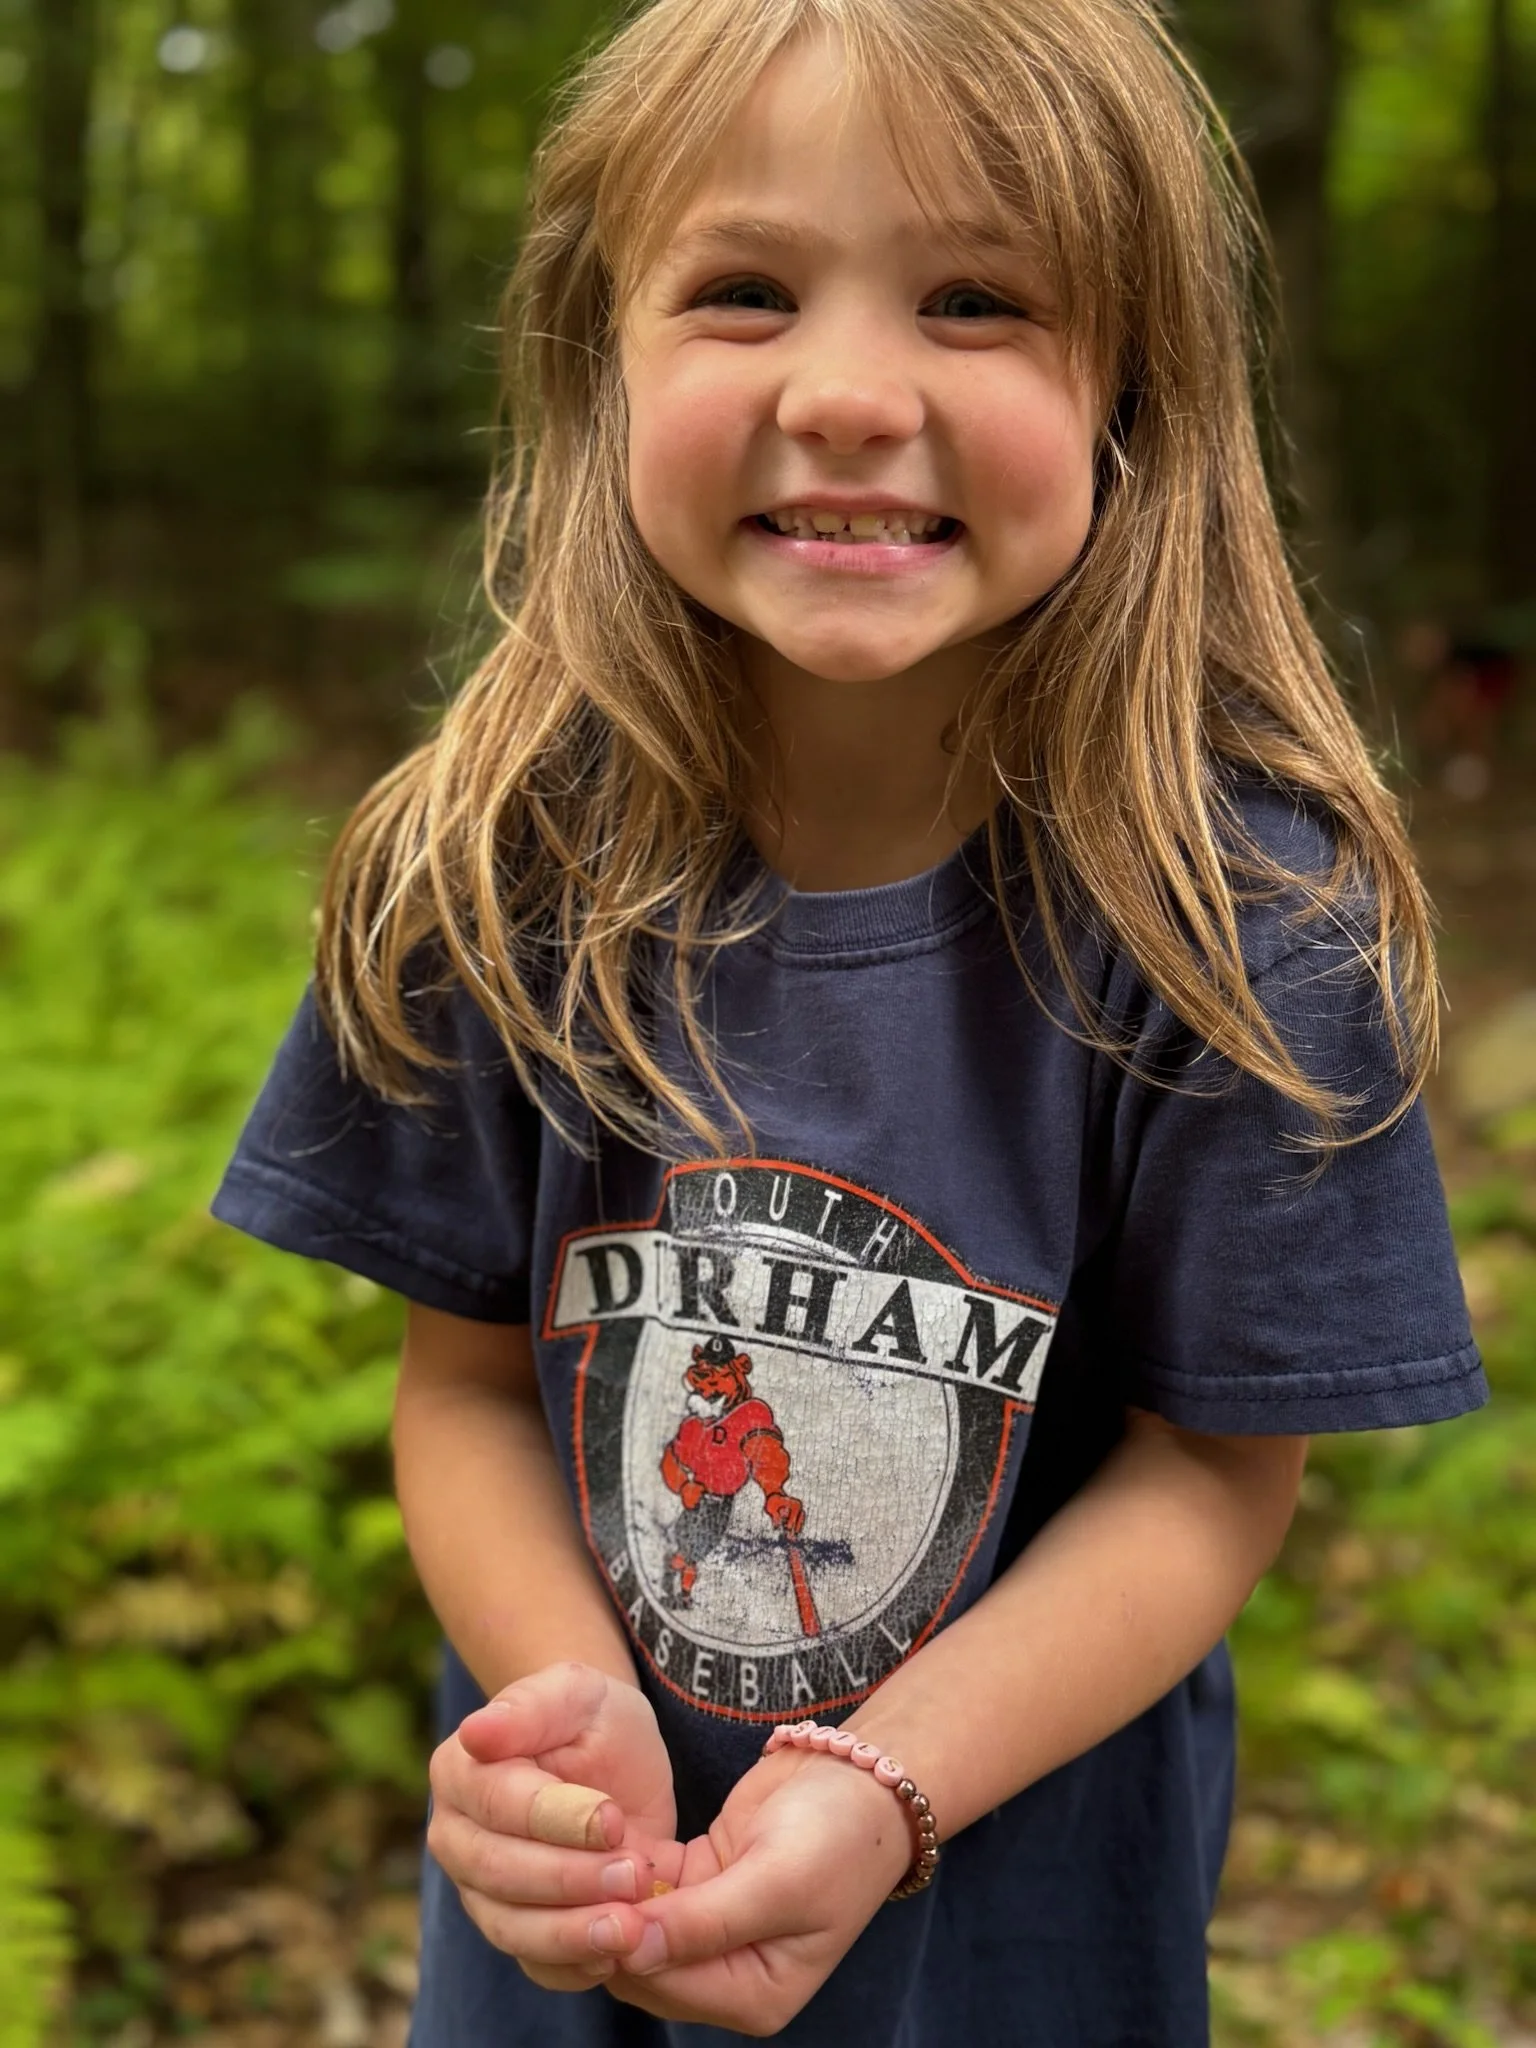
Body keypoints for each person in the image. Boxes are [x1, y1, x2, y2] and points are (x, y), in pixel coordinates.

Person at [211, 0, 1486, 2040]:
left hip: (1003, 1943)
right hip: (576, 1945)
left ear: (1139, 383)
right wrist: (572, 1731)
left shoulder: (1246, 929)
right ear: (591, 356)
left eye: (978, 297)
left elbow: (1211, 1477)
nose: (848, 393)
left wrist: (883, 1784)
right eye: (742, 289)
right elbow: (460, 1393)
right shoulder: (487, 872)